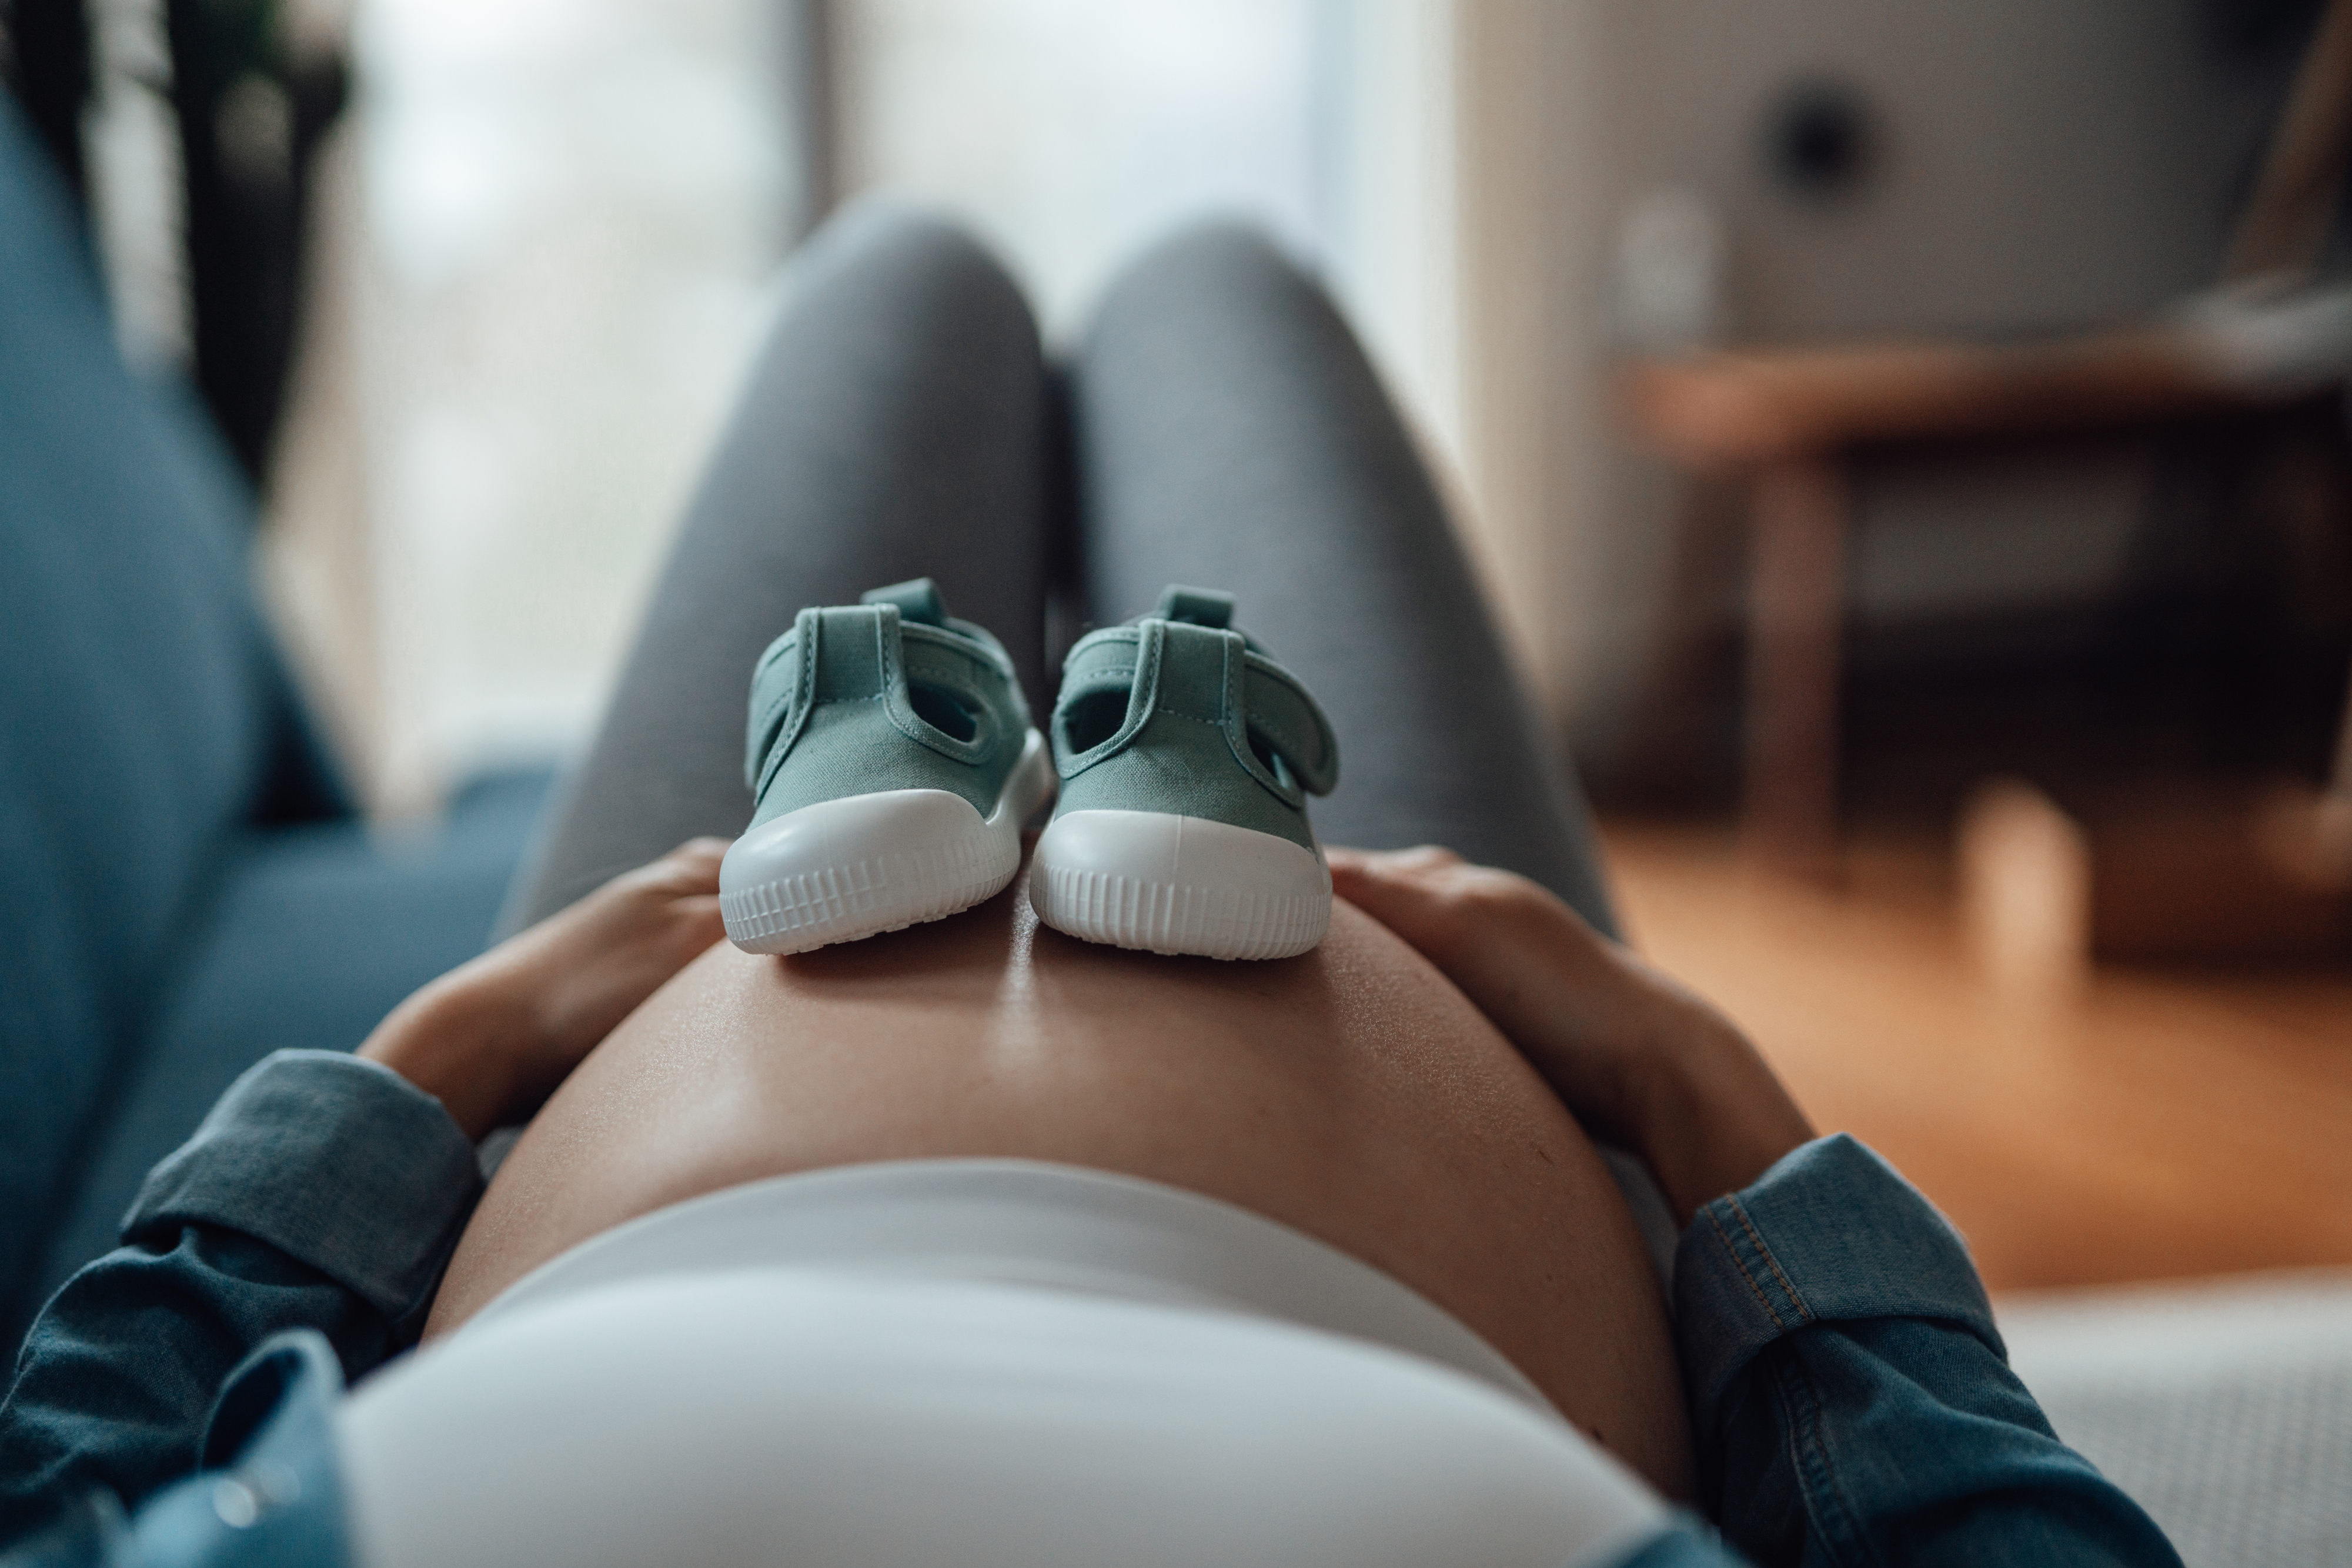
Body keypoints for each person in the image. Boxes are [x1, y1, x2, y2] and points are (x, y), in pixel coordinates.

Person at [0, 205, 2181, 1567]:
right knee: (1204, 286)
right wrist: (1704, 1091)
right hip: (1424, 1120)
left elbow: (60, 1486)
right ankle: (1135, 702)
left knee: (905, 280)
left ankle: (908, 700)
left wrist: (434, 1064)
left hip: (625, 1126)